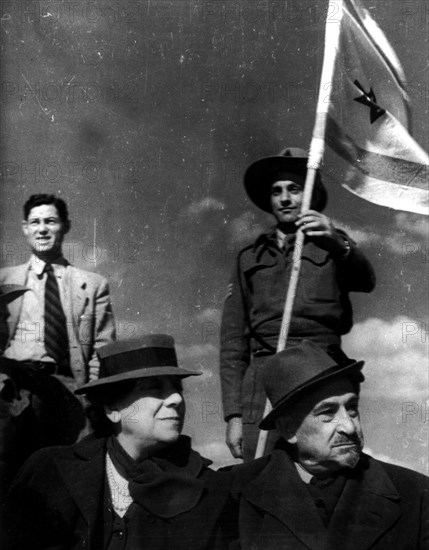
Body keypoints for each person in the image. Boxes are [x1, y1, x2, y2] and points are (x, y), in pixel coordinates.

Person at [3, 335, 237, 550]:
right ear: (113, 409)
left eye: (177, 388)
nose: (176, 398)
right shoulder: (50, 470)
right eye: (155, 388)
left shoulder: (207, 489)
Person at [220, 147, 376, 461]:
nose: (285, 198)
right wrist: (234, 416)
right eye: (277, 191)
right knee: (260, 469)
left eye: (294, 189)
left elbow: (366, 280)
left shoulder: (333, 243)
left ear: (311, 195)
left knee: (326, 462)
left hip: (320, 366)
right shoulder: (250, 257)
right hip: (263, 372)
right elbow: (233, 342)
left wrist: (337, 240)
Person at [231, 340, 429, 549]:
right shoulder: (235, 493)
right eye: (327, 412)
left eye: (351, 408)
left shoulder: (416, 494)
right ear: (288, 429)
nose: (349, 427)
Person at [0, 194, 116, 452]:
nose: (42, 229)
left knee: (67, 473)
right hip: (15, 387)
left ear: (65, 225)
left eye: (50, 221)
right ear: (25, 228)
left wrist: (91, 397)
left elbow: (101, 348)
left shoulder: (92, 286)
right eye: (35, 222)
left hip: (69, 390)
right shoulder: (4, 280)